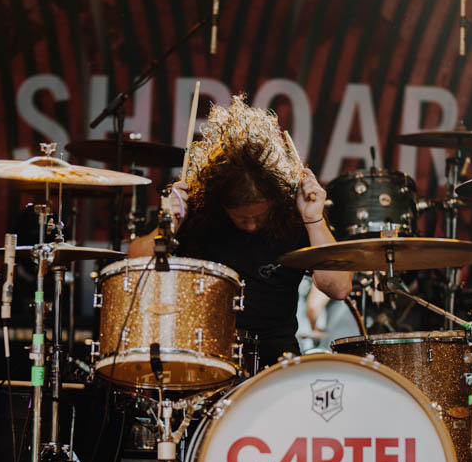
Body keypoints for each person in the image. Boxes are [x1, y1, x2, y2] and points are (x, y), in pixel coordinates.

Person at [127, 96, 352, 370]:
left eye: (260, 216)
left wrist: (314, 219)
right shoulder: (195, 211)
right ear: (221, 205)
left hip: (275, 360)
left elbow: (339, 288)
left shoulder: (294, 213)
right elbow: (135, 264)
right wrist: (169, 223)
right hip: (202, 356)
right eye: (243, 218)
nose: (253, 225)